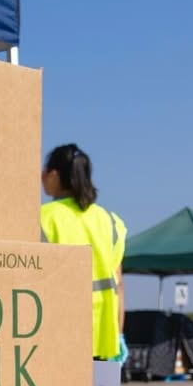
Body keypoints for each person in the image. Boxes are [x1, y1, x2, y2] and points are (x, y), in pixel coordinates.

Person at [39, 144, 127, 362]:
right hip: (103, 340)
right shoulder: (110, 222)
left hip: (54, 337)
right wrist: (119, 335)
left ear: (54, 175)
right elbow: (118, 285)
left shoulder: (41, 218)